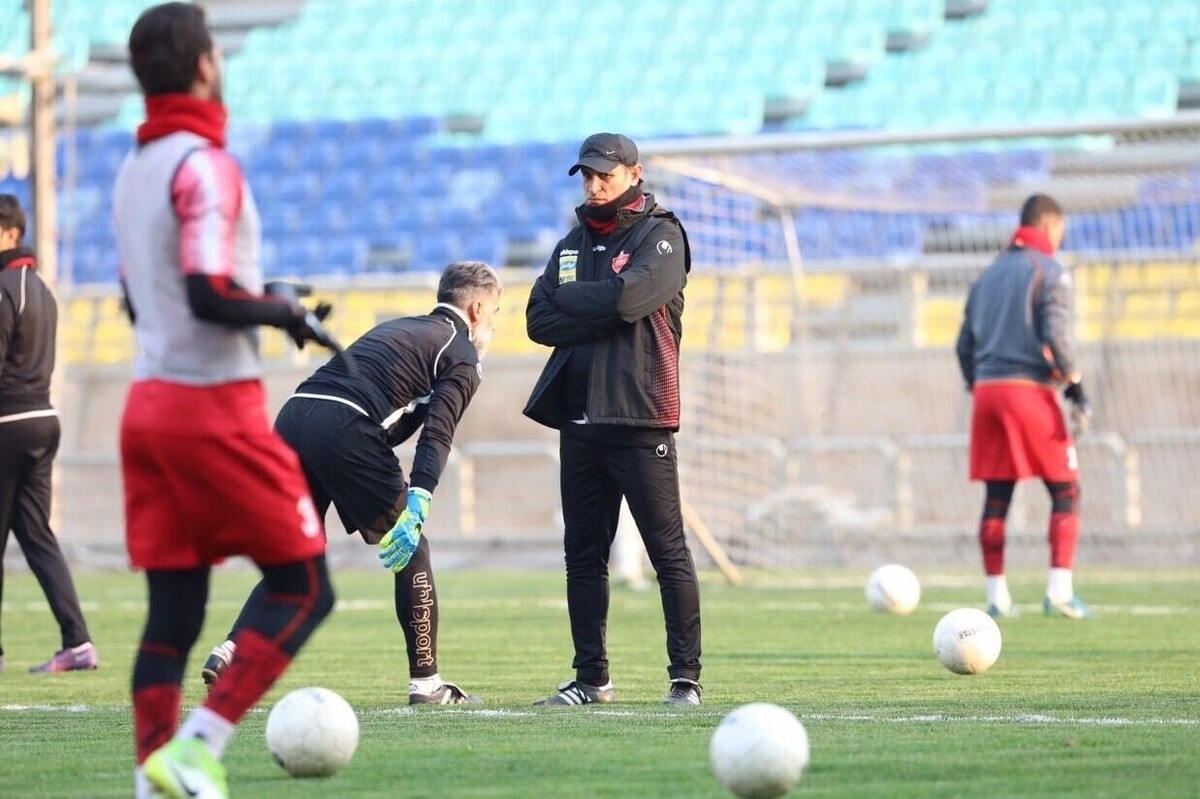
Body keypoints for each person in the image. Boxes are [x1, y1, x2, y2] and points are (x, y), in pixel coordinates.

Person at [115, 5, 337, 798]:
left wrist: (265, 297)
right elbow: (208, 293)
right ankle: (197, 746)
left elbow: (144, 300)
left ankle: (154, 777)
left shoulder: (134, 166)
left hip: (146, 405)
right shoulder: (206, 163)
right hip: (210, 408)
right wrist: (280, 312)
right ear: (206, 65)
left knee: (173, 612)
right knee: (305, 585)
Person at [201, 261, 502, 706]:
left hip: (295, 414)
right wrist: (418, 498)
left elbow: (394, 416)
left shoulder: (404, 328)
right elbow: (438, 431)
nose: (494, 322)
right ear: (477, 308)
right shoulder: (461, 353)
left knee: (297, 554)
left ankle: (232, 648)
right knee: (413, 547)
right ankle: (427, 683)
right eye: (496, 312)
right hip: (341, 424)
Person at [524, 132, 703, 706]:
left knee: (666, 551)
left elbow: (630, 303)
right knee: (582, 556)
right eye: (587, 174)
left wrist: (583, 300)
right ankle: (592, 679)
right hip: (579, 420)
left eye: (605, 173)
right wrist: (603, 304)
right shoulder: (572, 242)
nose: (594, 183)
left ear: (634, 174)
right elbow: (536, 319)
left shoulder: (663, 235)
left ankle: (685, 679)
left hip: (640, 416)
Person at [955, 193, 1093, 621]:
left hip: (987, 392)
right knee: (1065, 490)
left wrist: (977, 386)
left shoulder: (987, 274)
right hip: (1026, 392)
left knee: (998, 496)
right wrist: (1074, 381)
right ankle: (1060, 593)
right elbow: (1055, 330)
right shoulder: (1049, 270)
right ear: (1050, 225)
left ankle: (997, 599)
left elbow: (963, 346)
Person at [0, 194, 98, 675]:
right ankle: (77, 642)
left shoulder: (4, 287)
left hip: (7, 423)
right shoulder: (40, 288)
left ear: (11, 233)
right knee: (36, 534)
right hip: (43, 418)